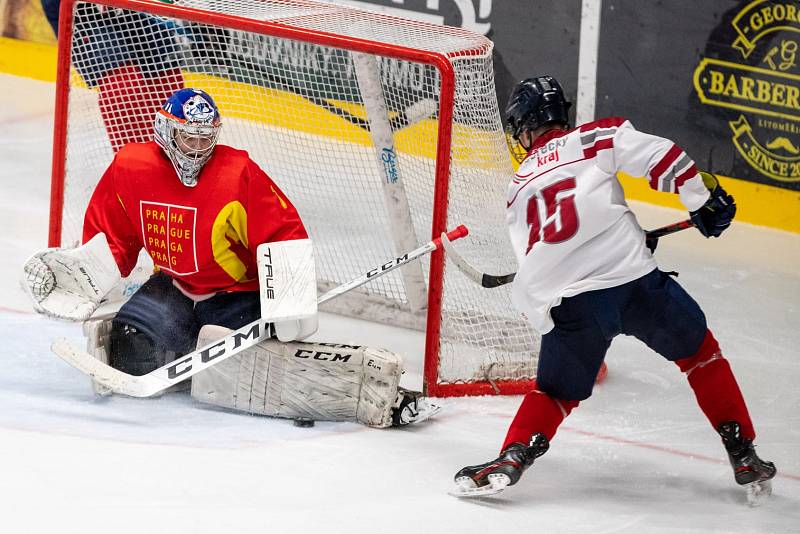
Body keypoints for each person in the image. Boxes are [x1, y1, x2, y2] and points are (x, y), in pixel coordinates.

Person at [23, 87, 438, 428]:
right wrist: (85, 277)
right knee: (130, 352)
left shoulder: (236, 173)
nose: (199, 149)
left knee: (242, 373)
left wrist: (289, 307)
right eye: (190, 138)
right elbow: (112, 235)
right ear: (166, 132)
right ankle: (177, 351)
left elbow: (283, 233)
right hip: (174, 286)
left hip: (237, 292)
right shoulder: (131, 168)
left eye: (208, 138)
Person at [451, 76, 776, 499]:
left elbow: (544, 258)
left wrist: (551, 319)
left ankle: (512, 456)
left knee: (553, 394)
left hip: (572, 305)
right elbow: (665, 157)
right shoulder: (595, 137)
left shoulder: (518, 187)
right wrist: (701, 201)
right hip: (636, 287)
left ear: (527, 127)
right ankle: (743, 452)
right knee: (701, 357)